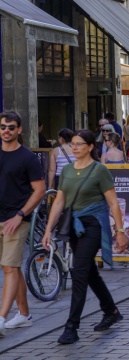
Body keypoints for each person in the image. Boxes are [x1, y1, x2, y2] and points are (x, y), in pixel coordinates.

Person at [41, 130, 128, 344]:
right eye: (73, 144)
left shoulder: (99, 170)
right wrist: (48, 230)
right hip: (73, 225)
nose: (75, 147)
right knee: (88, 272)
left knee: (79, 273)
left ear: (90, 147)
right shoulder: (68, 170)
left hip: (92, 225)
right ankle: (111, 311)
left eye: (80, 144)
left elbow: (113, 203)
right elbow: (60, 201)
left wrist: (120, 231)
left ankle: (71, 327)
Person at [0, 112, 46, 334]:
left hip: (16, 219)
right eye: (2, 127)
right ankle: (24, 314)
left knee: (9, 267)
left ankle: (1, 318)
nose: (6, 130)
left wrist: (20, 214)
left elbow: (40, 190)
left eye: (10, 127)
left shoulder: (27, 157)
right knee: (10, 267)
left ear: (19, 130)